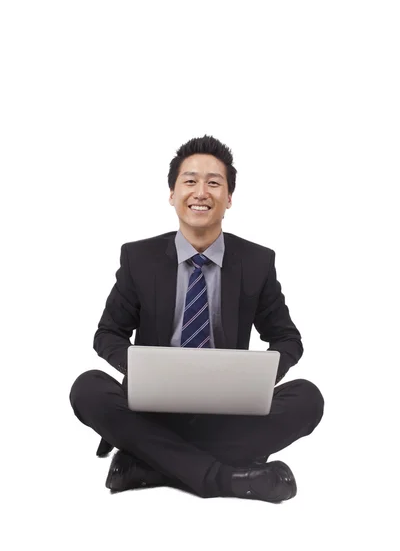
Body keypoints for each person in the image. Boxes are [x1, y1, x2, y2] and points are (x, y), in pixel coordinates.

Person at [69, 135, 324, 502]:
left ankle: (149, 463)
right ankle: (227, 477)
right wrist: (141, 370)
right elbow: (108, 334)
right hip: (152, 409)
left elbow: (287, 339)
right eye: (189, 181)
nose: (200, 192)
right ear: (172, 194)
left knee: (308, 399)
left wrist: (260, 379)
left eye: (213, 182)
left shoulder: (256, 262)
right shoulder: (138, 258)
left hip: (228, 412)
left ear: (229, 198)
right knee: (87, 388)